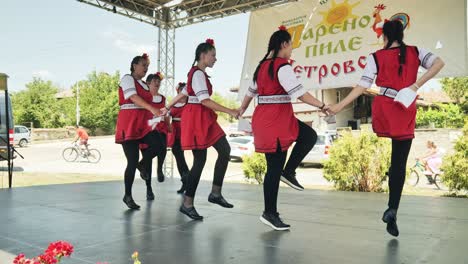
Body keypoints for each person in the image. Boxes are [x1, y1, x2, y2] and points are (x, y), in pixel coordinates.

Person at [328, 20, 445, 236]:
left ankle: (390, 192)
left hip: (384, 107)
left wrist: (339, 106)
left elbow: (362, 85)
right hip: (404, 107)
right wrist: (414, 85)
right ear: (402, 34)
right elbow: (439, 63)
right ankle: (393, 209)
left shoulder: (376, 57)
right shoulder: (416, 51)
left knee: (391, 156)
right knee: (399, 162)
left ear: (384, 37)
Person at [238, 25, 327, 231]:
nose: (291, 52)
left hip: (270, 118)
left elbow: (250, 93)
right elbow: (300, 93)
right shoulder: (282, 66)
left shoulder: (261, 67)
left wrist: (241, 109)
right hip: (275, 120)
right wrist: (322, 105)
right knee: (277, 165)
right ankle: (270, 211)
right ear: (284, 44)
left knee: (308, 137)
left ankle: (287, 173)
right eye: (291, 47)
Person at [163, 39, 239, 220]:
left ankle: (215, 193)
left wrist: (167, 106)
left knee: (224, 150)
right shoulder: (197, 74)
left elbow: (184, 93)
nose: (215, 59)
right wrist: (230, 111)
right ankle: (188, 203)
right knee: (201, 160)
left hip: (203, 117)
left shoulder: (198, 75)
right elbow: (204, 100)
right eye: (213, 55)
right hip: (197, 117)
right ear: (203, 56)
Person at [115, 53, 164, 210]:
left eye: (147, 66)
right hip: (128, 122)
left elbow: (150, 99)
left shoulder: (144, 84)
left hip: (142, 124)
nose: (146, 68)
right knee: (131, 160)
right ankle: (127, 195)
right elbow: (133, 97)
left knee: (159, 145)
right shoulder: (127, 79)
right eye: (143, 65)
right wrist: (152, 108)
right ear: (134, 65)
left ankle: (142, 165)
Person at [141, 72, 170, 183]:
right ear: (148, 83)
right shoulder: (144, 98)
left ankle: (159, 169)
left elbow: (166, 113)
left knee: (163, 148)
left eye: (159, 81)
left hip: (160, 126)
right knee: (148, 159)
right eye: (154, 81)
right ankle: (149, 188)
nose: (157, 83)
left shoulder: (162, 98)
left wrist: (168, 124)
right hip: (147, 127)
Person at [167, 82, 190, 194]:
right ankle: (185, 179)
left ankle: (187, 178)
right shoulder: (173, 103)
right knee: (178, 155)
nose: (182, 91)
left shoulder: (189, 103)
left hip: (186, 130)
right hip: (175, 131)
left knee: (181, 155)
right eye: (181, 89)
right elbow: (167, 115)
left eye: (184, 89)